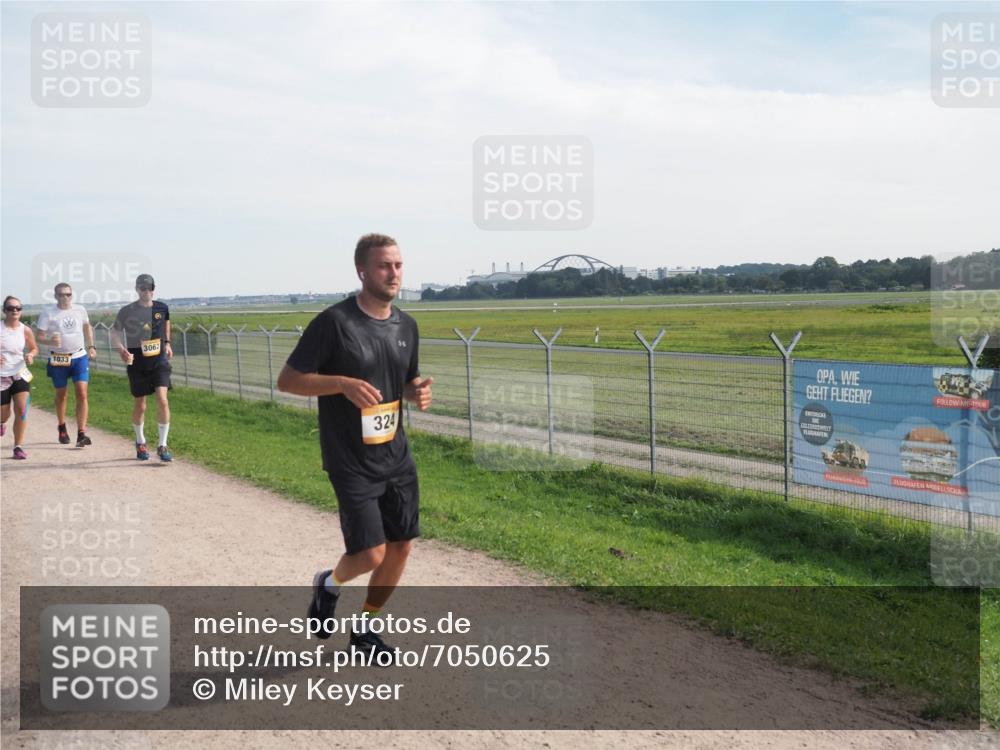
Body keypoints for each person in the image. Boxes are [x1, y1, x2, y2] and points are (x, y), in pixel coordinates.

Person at [277, 233, 433, 658]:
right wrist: (340, 384)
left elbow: (401, 380)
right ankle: (328, 585)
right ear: (362, 271)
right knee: (370, 554)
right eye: (384, 266)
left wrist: (415, 390)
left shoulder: (406, 325)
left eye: (398, 265)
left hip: (395, 453)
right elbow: (288, 381)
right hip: (351, 458)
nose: (394, 273)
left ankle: (364, 630)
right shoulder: (334, 323)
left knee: (401, 546)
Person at [111, 274, 174, 462]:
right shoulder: (127, 311)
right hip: (137, 362)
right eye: (143, 288)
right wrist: (121, 350)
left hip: (159, 361)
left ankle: (162, 445)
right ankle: (140, 441)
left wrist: (168, 343)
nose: (147, 292)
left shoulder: (162, 307)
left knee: (163, 400)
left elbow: (166, 324)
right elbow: (114, 331)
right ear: (137, 289)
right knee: (141, 404)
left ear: (154, 289)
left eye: (150, 288)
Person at [35, 283, 96, 447]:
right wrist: (49, 341)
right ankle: (62, 426)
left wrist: (91, 346)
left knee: (82, 393)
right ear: (55, 296)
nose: (65, 297)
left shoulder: (80, 310)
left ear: (72, 295)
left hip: (79, 356)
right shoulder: (48, 313)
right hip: (58, 358)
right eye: (61, 295)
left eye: (68, 294)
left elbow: (86, 327)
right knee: (62, 395)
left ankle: (81, 433)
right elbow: (39, 336)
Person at [1, 296, 39, 459]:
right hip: (1, 376)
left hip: (20, 373)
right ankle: (2, 422)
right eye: (11, 308)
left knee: (22, 410)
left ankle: (18, 447)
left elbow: (34, 348)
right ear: (4, 311)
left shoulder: (25, 330)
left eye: (18, 308)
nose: (15, 310)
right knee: (4, 414)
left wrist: (30, 354)